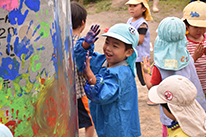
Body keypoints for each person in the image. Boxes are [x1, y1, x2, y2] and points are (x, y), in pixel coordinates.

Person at [142, 17, 206, 137]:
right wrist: (194, 57)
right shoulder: (188, 59)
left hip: (172, 116)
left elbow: (152, 87)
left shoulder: (158, 67)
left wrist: (146, 72)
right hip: (193, 111)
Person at [74, 23, 141, 137]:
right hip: (106, 124)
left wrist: (90, 75)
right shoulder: (104, 62)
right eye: (107, 43)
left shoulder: (122, 73)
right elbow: (83, 60)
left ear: (128, 52)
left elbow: (103, 94)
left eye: (115, 46)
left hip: (120, 129)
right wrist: (85, 45)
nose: (108, 49)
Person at [71, 1, 95, 137]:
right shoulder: (82, 43)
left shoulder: (59, 42)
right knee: (90, 121)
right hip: (80, 92)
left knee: (71, 120)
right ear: (83, 23)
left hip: (64, 92)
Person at [125, 0, 155, 106]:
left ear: (143, 9)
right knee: (129, 75)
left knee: (147, 78)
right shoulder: (130, 21)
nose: (131, 8)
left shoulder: (142, 24)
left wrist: (125, 39)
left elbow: (140, 40)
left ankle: (155, 96)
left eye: (134, 6)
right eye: (130, 6)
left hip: (142, 57)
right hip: (132, 55)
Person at [182, 1, 206, 95]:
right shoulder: (183, 43)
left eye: (203, 26)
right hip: (191, 89)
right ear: (186, 25)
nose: (200, 30)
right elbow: (181, 66)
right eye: (196, 27)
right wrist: (194, 57)